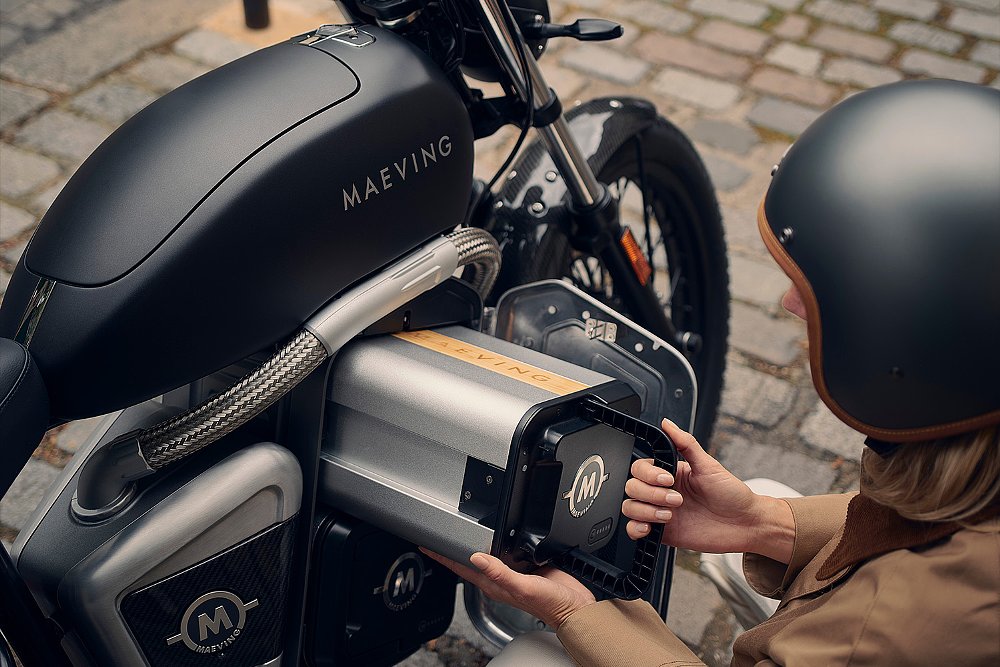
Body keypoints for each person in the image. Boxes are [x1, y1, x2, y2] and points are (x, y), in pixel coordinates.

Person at [425, 78, 1000, 666]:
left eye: (818, 291)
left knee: (530, 662)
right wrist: (761, 523)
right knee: (771, 496)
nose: (790, 306)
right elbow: (929, 533)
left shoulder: (897, 629)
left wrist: (576, 613)